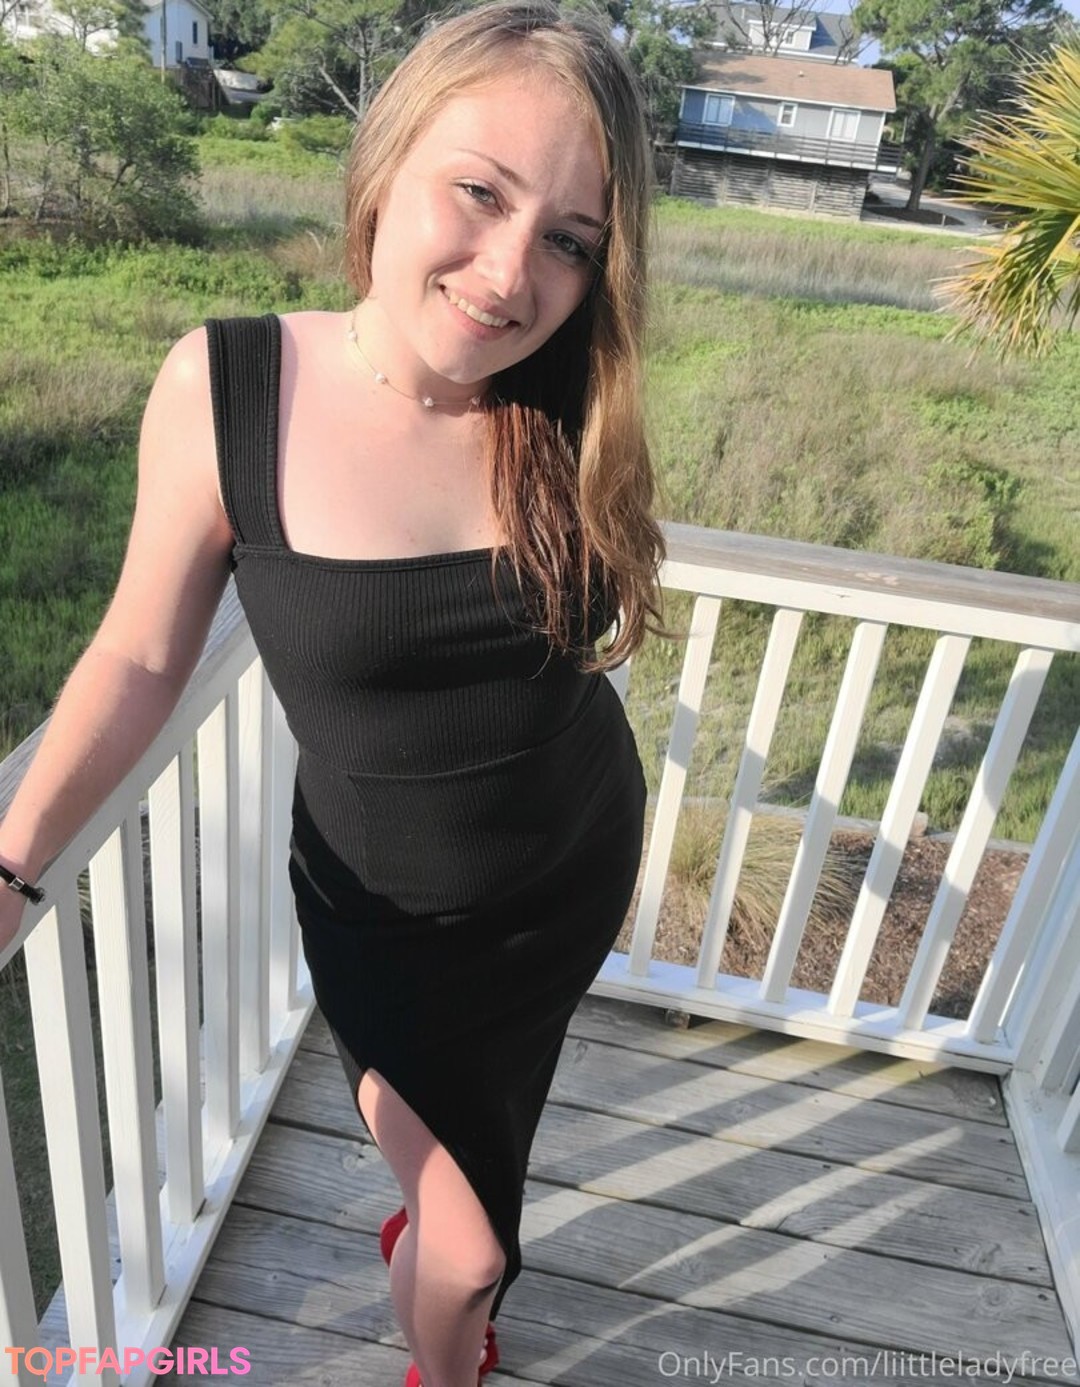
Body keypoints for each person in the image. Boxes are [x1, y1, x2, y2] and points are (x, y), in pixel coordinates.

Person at [0, 3, 664, 1384]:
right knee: (471, 1254)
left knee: (483, 1169)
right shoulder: (232, 387)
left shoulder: (564, 404)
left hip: (571, 866)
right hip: (393, 922)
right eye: (479, 193)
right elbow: (139, 656)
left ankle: (436, 1264)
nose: (510, 274)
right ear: (387, 157)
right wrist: (12, 865)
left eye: (569, 240)